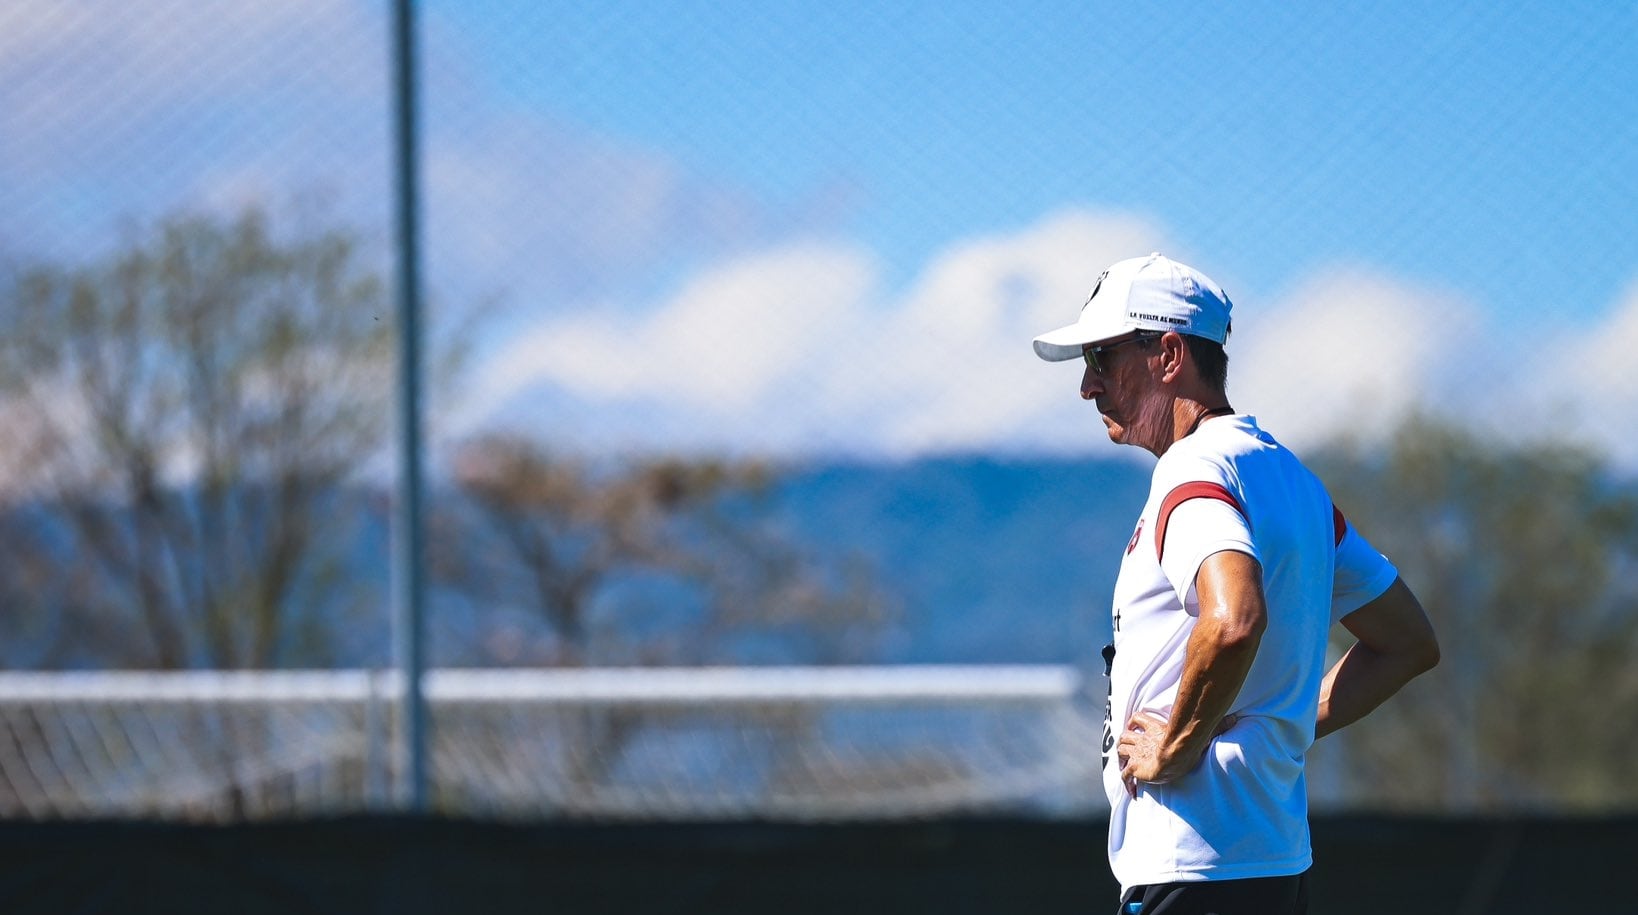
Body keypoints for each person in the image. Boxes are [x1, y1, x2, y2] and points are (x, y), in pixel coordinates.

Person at [1031, 252, 1440, 915]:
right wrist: (1278, 723)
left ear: (1168, 355)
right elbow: (1407, 642)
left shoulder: (1193, 471)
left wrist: (1177, 744)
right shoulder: (1292, 481)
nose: (1087, 384)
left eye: (1102, 358)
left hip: (1191, 865)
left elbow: (1233, 617)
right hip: (1272, 862)